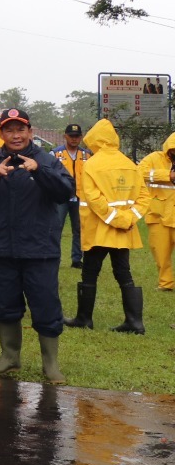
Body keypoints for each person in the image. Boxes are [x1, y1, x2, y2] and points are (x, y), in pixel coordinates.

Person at [0, 107, 74, 383]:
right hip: (2, 248)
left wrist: (40, 171)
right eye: (9, 130)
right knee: (6, 305)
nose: (15, 135)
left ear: (30, 132)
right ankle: (10, 358)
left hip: (40, 249)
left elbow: (65, 192)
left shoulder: (46, 159)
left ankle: (51, 364)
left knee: (46, 305)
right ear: (1, 133)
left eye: (20, 129)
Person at [67, 119, 151, 334]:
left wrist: (116, 218)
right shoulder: (130, 164)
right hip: (123, 231)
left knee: (89, 273)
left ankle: (84, 318)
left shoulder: (91, 165)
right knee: (123, 273)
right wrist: (128, 219)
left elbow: (93, 199)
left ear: (94, 139)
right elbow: (144, 197)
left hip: (99, 230)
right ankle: (134, 322)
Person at [137, 131, 175, 292]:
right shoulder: (154, 158)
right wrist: (167, 175)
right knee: (160, 252)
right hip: (158, 215)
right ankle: (165, 283)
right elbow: (139, 172)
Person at [52, 123, 91, 268]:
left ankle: (76, 259)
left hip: (80, 196)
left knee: (80, 228)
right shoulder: (55, 154)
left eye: (77, 136)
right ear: (65, 136)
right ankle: (54, 257)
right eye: (71, 136)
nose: (74, 139)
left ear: (81, 137)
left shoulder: (87, 155)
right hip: (61, 196)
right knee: (56, 228)